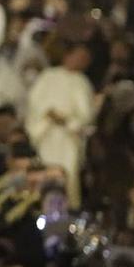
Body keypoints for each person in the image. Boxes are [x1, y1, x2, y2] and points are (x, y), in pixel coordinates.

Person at [26, 45, 97, 205]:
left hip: (68, 139)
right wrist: (49, 114)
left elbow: (86, 117)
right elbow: (34, 103)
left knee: (68, 177)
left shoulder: (82, 82)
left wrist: (67, 121)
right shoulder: (48, 76)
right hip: (46, 135)